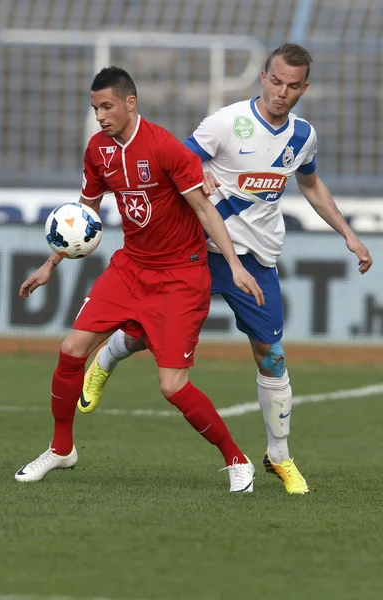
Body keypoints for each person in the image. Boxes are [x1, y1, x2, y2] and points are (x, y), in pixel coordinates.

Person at [77, 43, 373, 495]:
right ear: (263, 78)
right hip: (199, 251)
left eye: (293, 86)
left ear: (304, 89)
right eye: (275, 82)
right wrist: (200, 170)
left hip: (258, 260)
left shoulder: (302, 136)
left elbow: (310, 184)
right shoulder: (226, 123)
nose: (282, 92)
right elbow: (177, 159)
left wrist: (347, 233)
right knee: (141, 333)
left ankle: (279, 456)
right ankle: (105, 361)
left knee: (270, 356)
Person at [15, 66, 268, 493]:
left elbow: (206, 210)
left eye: (107, 106)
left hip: (180, 275)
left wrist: (236, 265)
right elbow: (83, 216)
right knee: (70, 349)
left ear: (130, 103)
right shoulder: (98, 150)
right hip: (131, 267)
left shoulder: (166, 148)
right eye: (95, 107)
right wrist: (52, 262)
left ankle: (236, 459)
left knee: (172, 386)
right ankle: (61, 449)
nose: (100, 116)